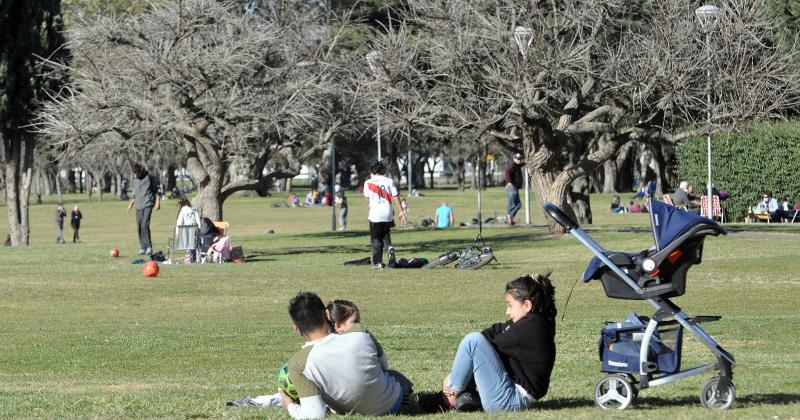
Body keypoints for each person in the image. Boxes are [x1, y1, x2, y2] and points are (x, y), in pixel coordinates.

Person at [280, 292, 411, 419]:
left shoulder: (297, 364)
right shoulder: (359, 331)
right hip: (394, 404)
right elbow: (383, 365)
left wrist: (290, 405)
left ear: (296, 328)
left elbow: (315, 415)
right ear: (326, 313)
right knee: (394, 376)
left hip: (347, 410)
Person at [441, 273, 556, 413]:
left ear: (527, 305)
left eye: (510, 305)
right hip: (511, 395)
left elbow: (485, 350)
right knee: (476, 342)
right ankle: (464, 396)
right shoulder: (533, 322)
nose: (507, 311)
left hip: (511, 399)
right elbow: (495, 330)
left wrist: (452, 379)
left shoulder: (530, 328)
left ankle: (448, 397)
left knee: (472, 342)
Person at [363, 162, 406, 269]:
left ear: (373, 171)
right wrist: (401, 211)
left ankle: (378, 263)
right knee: (386, 235)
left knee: (376, 238)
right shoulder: (389, 181)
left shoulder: (368, 182)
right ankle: (390, 248)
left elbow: (367, 198)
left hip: (375, 214)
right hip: (387, 213)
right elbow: (396, 196)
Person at [127, 164, 161, 255]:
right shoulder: (134, 180)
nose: (135, 175)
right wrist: (131, 203)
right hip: (138, 206)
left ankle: (149, 247)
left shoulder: (149, 177)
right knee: (139, 226)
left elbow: (157, 190)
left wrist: (157, 201)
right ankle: (143, 247)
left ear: (140, 171)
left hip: (148, 204)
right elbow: (135, 193)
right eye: (133, 173)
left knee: (144, 224)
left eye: (136, 173)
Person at [175, 197, 200, 262]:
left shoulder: (182, 211)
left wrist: (177, 233)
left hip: (186, 229)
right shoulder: (193, 209)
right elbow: (198, 220)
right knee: (197, 245)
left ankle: (189, 259)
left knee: (188, 245)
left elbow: (179, 222)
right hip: (195, 228)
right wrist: (199, 228)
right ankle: (198, 259)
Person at [504, 153, 524, 225]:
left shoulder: (517, 165)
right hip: (511, 187)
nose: (519, 160)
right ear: (514, 158)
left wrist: (526, 162)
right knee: (512, 204)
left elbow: (522, 164)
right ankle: (509, 216)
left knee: (519, 205)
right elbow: (507, 172)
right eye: (518, 159)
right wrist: (509, 182)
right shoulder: (512, 165)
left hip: (515, 187)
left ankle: (510, 217)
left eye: (520, 159)